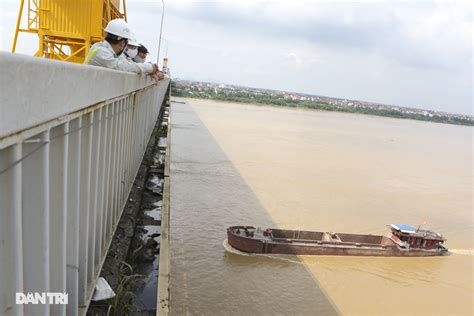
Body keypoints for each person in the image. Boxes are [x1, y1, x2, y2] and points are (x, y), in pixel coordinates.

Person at [84, 19, 158, 75]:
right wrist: (149, 68)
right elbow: (123, 67)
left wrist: (149, 72)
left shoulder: (112, 54)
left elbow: (130, 65)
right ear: (122, 43)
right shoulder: (100, 52)